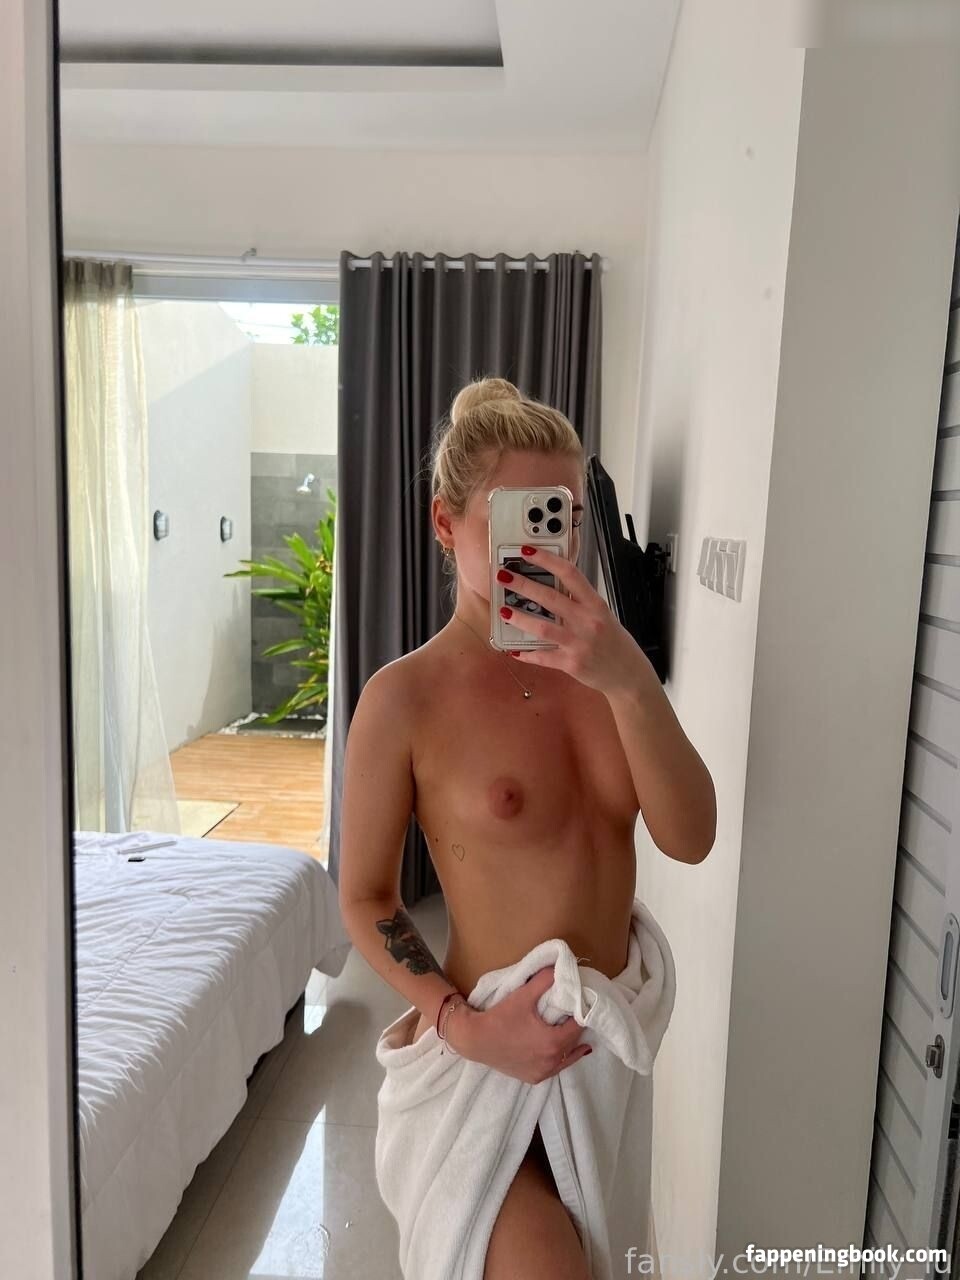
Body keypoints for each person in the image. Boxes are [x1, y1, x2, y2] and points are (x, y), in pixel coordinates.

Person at [338, 376, 716, 1279]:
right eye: (520, 518)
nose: (549, 543)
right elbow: (364, 896)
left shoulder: (610, 676)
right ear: (446, 523)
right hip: (485, 1065)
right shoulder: (405, 697)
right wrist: (461, 1026)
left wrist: (627, 677)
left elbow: (691, 837)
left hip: (600, 1071)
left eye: (565, 516)